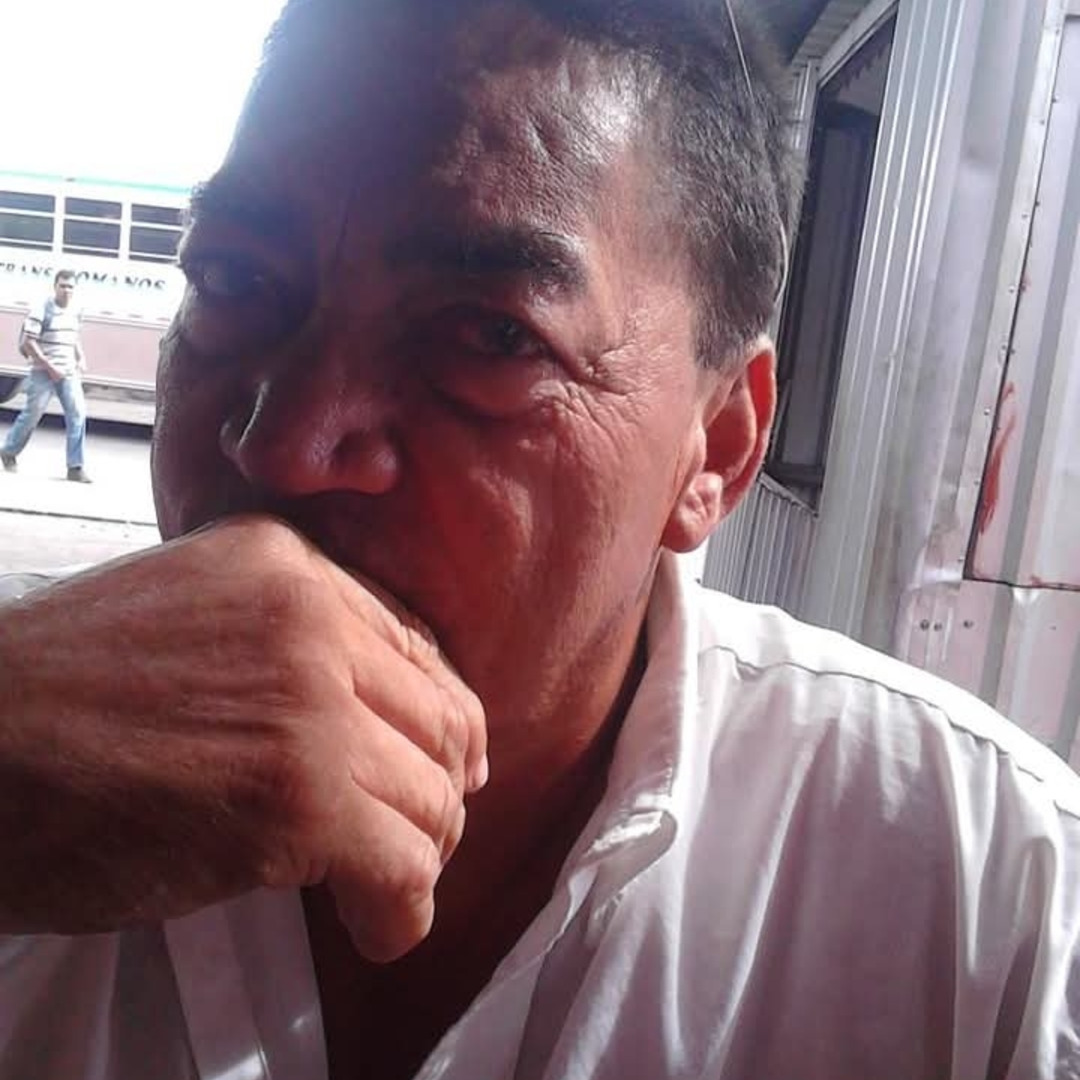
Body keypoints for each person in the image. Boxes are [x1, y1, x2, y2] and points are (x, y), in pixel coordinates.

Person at [0, 2, 1077, 1078]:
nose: (284, 445)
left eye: (489, 334)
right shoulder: (32, 763)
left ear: (715, 449)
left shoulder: (997, 916)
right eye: (236, 280)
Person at [0, 269, 91, 482]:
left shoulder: (76, 310)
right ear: (55, 287)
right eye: (63, 286)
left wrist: (80, 357)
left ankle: (75, 467)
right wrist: (50, 367)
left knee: (78, 414)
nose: (66, 290)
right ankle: (9, 451)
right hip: (42, 371)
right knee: (33, 414)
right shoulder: (41, 309)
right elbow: (28, 343)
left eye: (70, 286)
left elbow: (74, 337)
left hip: (68, 371)